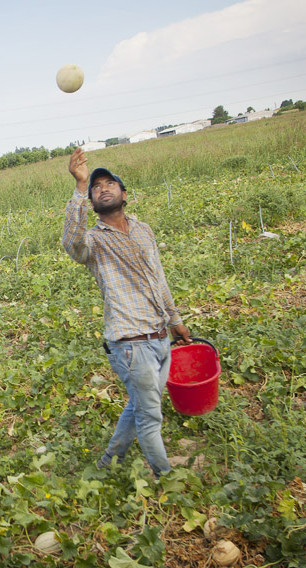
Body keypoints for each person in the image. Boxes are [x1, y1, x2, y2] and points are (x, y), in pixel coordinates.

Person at [63, 147, 192, 478]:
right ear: (92, 202)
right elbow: (71, 243)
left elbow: (158, 280)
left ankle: (110, 462)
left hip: (160, 337)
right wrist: (79, 186)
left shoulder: (143, 230)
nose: (102, 188)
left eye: (109, 183)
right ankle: (167, 479)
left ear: (124, 194)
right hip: (131, 345)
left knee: (138, 407)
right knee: (151, 418)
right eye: (96, 187)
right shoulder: (94, 242)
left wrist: (175, 321)